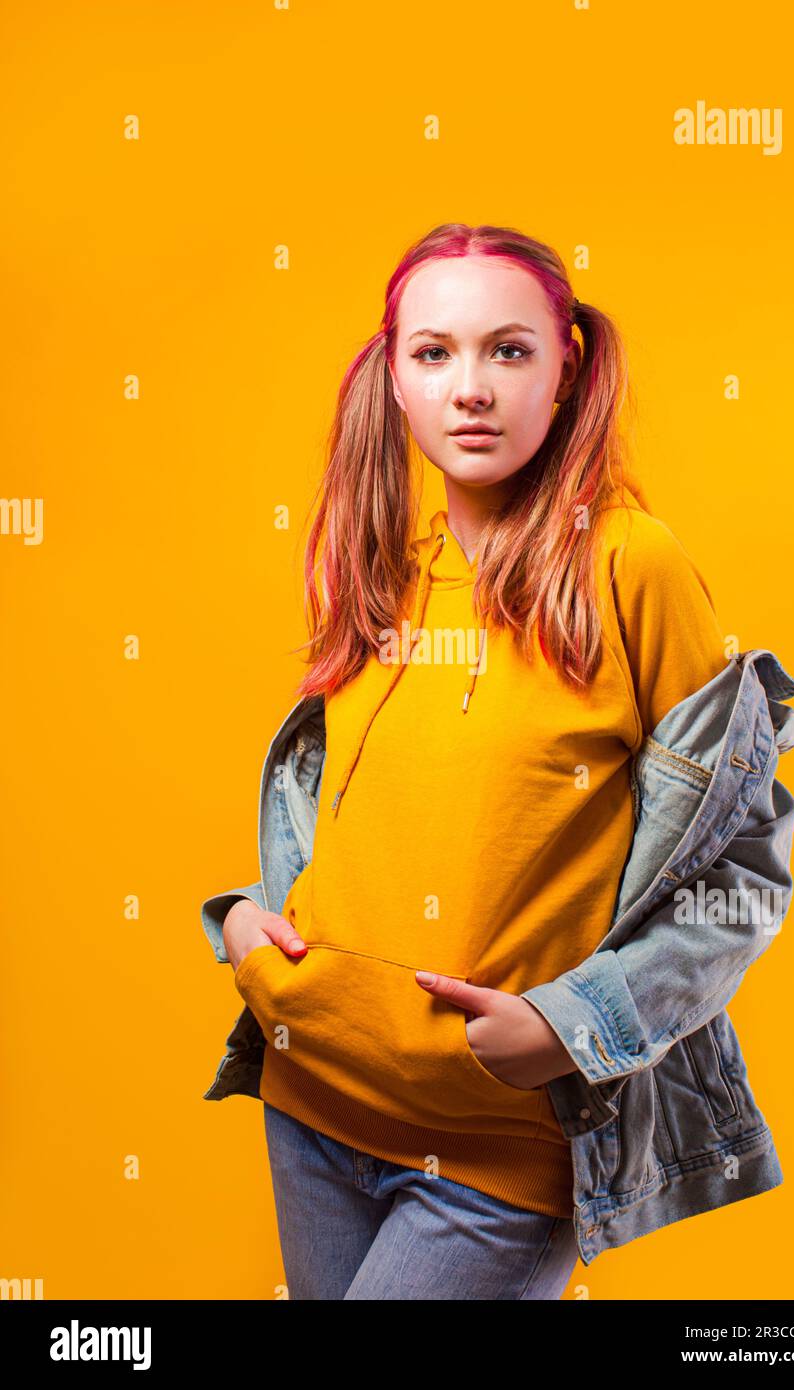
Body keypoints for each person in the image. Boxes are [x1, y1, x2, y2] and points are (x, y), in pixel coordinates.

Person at [221, 222, 730, 1299]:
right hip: (312, 1101)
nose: (470, 389)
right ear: (393, 379)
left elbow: (736, 864)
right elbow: (353, 816)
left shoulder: (632, 567)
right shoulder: (383, 572)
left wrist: (573, 1025)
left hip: (498, 1148)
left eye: (508, 350)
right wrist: (246, 924)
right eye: (433, 352)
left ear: (565, 371)